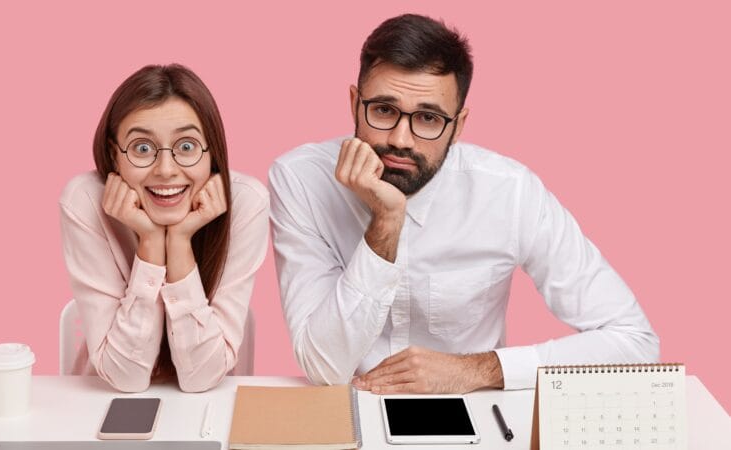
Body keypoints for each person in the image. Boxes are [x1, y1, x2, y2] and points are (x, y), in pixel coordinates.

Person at [269, 14, 659, 394]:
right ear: (355, 102)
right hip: (344, 409)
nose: (401, 139)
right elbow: (324, 368)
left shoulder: (510, 191)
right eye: (384, 110)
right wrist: (386, 222)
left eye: (428, 118)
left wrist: (478, 369)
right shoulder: (300, 180)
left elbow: (635, 343)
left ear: (458, 125)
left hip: (475, 410)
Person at [59, 64, 268, 393]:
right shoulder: (84, 200)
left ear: (212, 153)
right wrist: (151, 243)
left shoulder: (245, 202)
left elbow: (201, 378)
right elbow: (125, 378)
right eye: (143, 148)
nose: (166, 170)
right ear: (115, 156)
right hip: (103, 405)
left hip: (208, 410)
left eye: (186, 147)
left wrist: (180, 243)